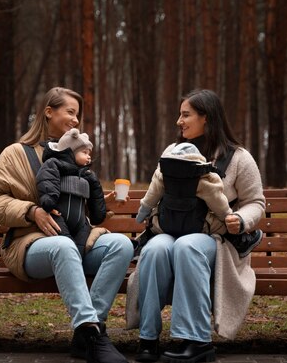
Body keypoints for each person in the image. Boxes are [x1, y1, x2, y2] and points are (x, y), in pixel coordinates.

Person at [0, 87, 133, 363]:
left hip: (76, 243)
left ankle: (88, 333)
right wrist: (31, 211)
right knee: (62, 246)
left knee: (121, 245)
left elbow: (76, 210)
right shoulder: (17, 153)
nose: (76, 120)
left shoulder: (76, 156)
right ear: (49, 112)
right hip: (29, 245)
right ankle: (93, 336)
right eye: (70, 112)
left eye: (78, 115)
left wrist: (105, 205)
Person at [130, 89, 266, 363]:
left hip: (217, 242)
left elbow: (256, 203)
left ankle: (197, 341)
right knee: (156, 249)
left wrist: (240, 219)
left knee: (187, 246)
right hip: (171, 232)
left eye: (186, 114)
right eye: (180, 115)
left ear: (206, 118)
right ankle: (148, 338)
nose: (179, 121)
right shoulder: (172, 153)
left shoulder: (237, 157)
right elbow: (156, 190)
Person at [135, 142, 263, 258]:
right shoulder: (204, 178)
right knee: (219, 225)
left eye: (186, 115)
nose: (179, 122)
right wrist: (228, 218)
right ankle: (240, 241)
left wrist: (142, 214)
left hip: (166, 223)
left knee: (168, 234)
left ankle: (145, 238)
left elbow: (151, 197)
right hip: (198, 225)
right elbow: (218, 203)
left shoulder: (163, 172)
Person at [36, 128, 106, 255]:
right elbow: (47, 178)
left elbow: (96, 196)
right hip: (57, 216)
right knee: (66, 245)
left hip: (81, 222)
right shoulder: (54, 164)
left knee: (79, 250)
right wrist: (49, 200)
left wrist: (98, 214)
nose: (89, 156)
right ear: (70, 152)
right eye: (84, 152)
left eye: (89, 153)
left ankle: (76, 265)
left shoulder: (87, 175)